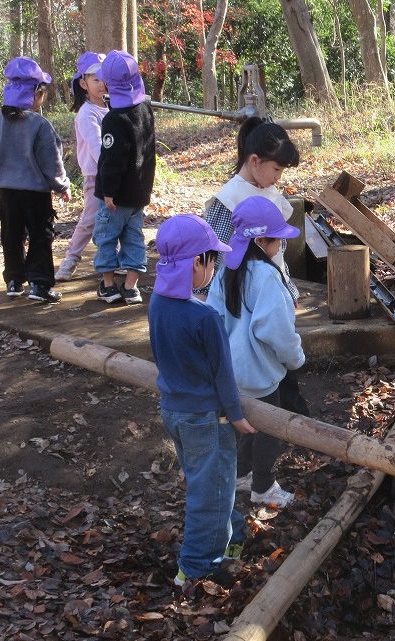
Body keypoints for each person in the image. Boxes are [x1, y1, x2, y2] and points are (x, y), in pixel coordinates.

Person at [148, 214, 258, 586]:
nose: (214, 267)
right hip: (205, 419)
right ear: (197, 262)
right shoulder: (205, 317)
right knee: (208, 496)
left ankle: (234, 540)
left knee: (213, 482)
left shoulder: (157, 302)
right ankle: (193, 570)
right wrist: (237, 414)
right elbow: (223, 376)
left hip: (173, 411)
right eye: (212, 260)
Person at [206, 196, 306, 508]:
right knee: (269, 429)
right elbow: (277, 330)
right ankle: (263, 485)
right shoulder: (267, 278)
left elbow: (213, 317)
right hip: (259, 374)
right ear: (262, 241)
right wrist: (295, 359)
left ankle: (241, 473)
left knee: (245, 422)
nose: (280, 246)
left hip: (230, 372)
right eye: (277, 240)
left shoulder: (226, 271)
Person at [0, 56, 71, 303]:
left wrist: (0, 168)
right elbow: (52, 162)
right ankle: (39, 284)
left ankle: (14, 280)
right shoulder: (40, 125)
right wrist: (62, 185)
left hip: (6, 191)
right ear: (37, 93)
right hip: (35, 193)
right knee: (41, 234)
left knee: (11, 233)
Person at [196, 117, 301, 299]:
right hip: (235, 298)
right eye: (277, 169)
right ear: (255, 160)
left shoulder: (271, 192)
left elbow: (278, 252)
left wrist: (288, 290)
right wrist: (205, 297)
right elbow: (212, 253)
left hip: (268, 291)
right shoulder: (230, 197)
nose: (279, 177)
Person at [93, 49, 155, 305]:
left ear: (107, 84)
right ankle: (131, 287)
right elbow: (148, 151)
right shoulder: (145, 110)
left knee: (106, 236)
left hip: (116, 196)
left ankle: (109, 286)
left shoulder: (113, 119)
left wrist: (108, 191)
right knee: (134, 237)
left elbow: (112, 160)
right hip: (138, 193)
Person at [55, 52, 107, 282]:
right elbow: (97, 148)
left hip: (115, 175)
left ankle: (120, 261)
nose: (102, 83)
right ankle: (71, 258)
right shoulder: (87, 113)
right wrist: (112, 169)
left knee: (118, 219)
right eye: (96, 79)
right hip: (97, 176)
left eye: (105, 77)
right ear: (83, 83)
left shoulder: (113, 107)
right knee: (90, 219)